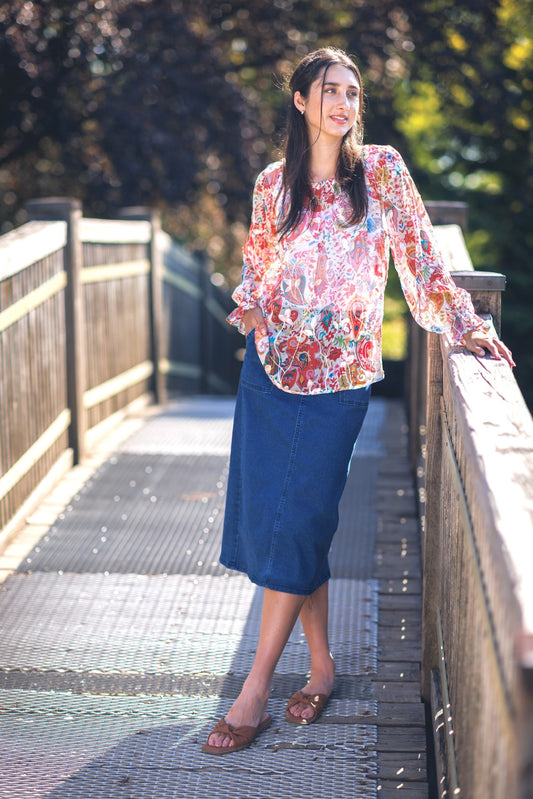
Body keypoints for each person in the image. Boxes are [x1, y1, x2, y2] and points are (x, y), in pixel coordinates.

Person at [201, 47, 515, 755]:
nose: (343, 103)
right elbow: (260, 263)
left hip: (338, 382)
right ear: (300, 100)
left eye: (352, 91)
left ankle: (253, 689)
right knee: (289, 529)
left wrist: (465, 323)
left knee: (300, 520)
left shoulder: (380, 172)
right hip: (270, 372)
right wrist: (250, 304)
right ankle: (319, 668)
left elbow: (422, 260)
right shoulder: (271, 183)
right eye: (329, 91)